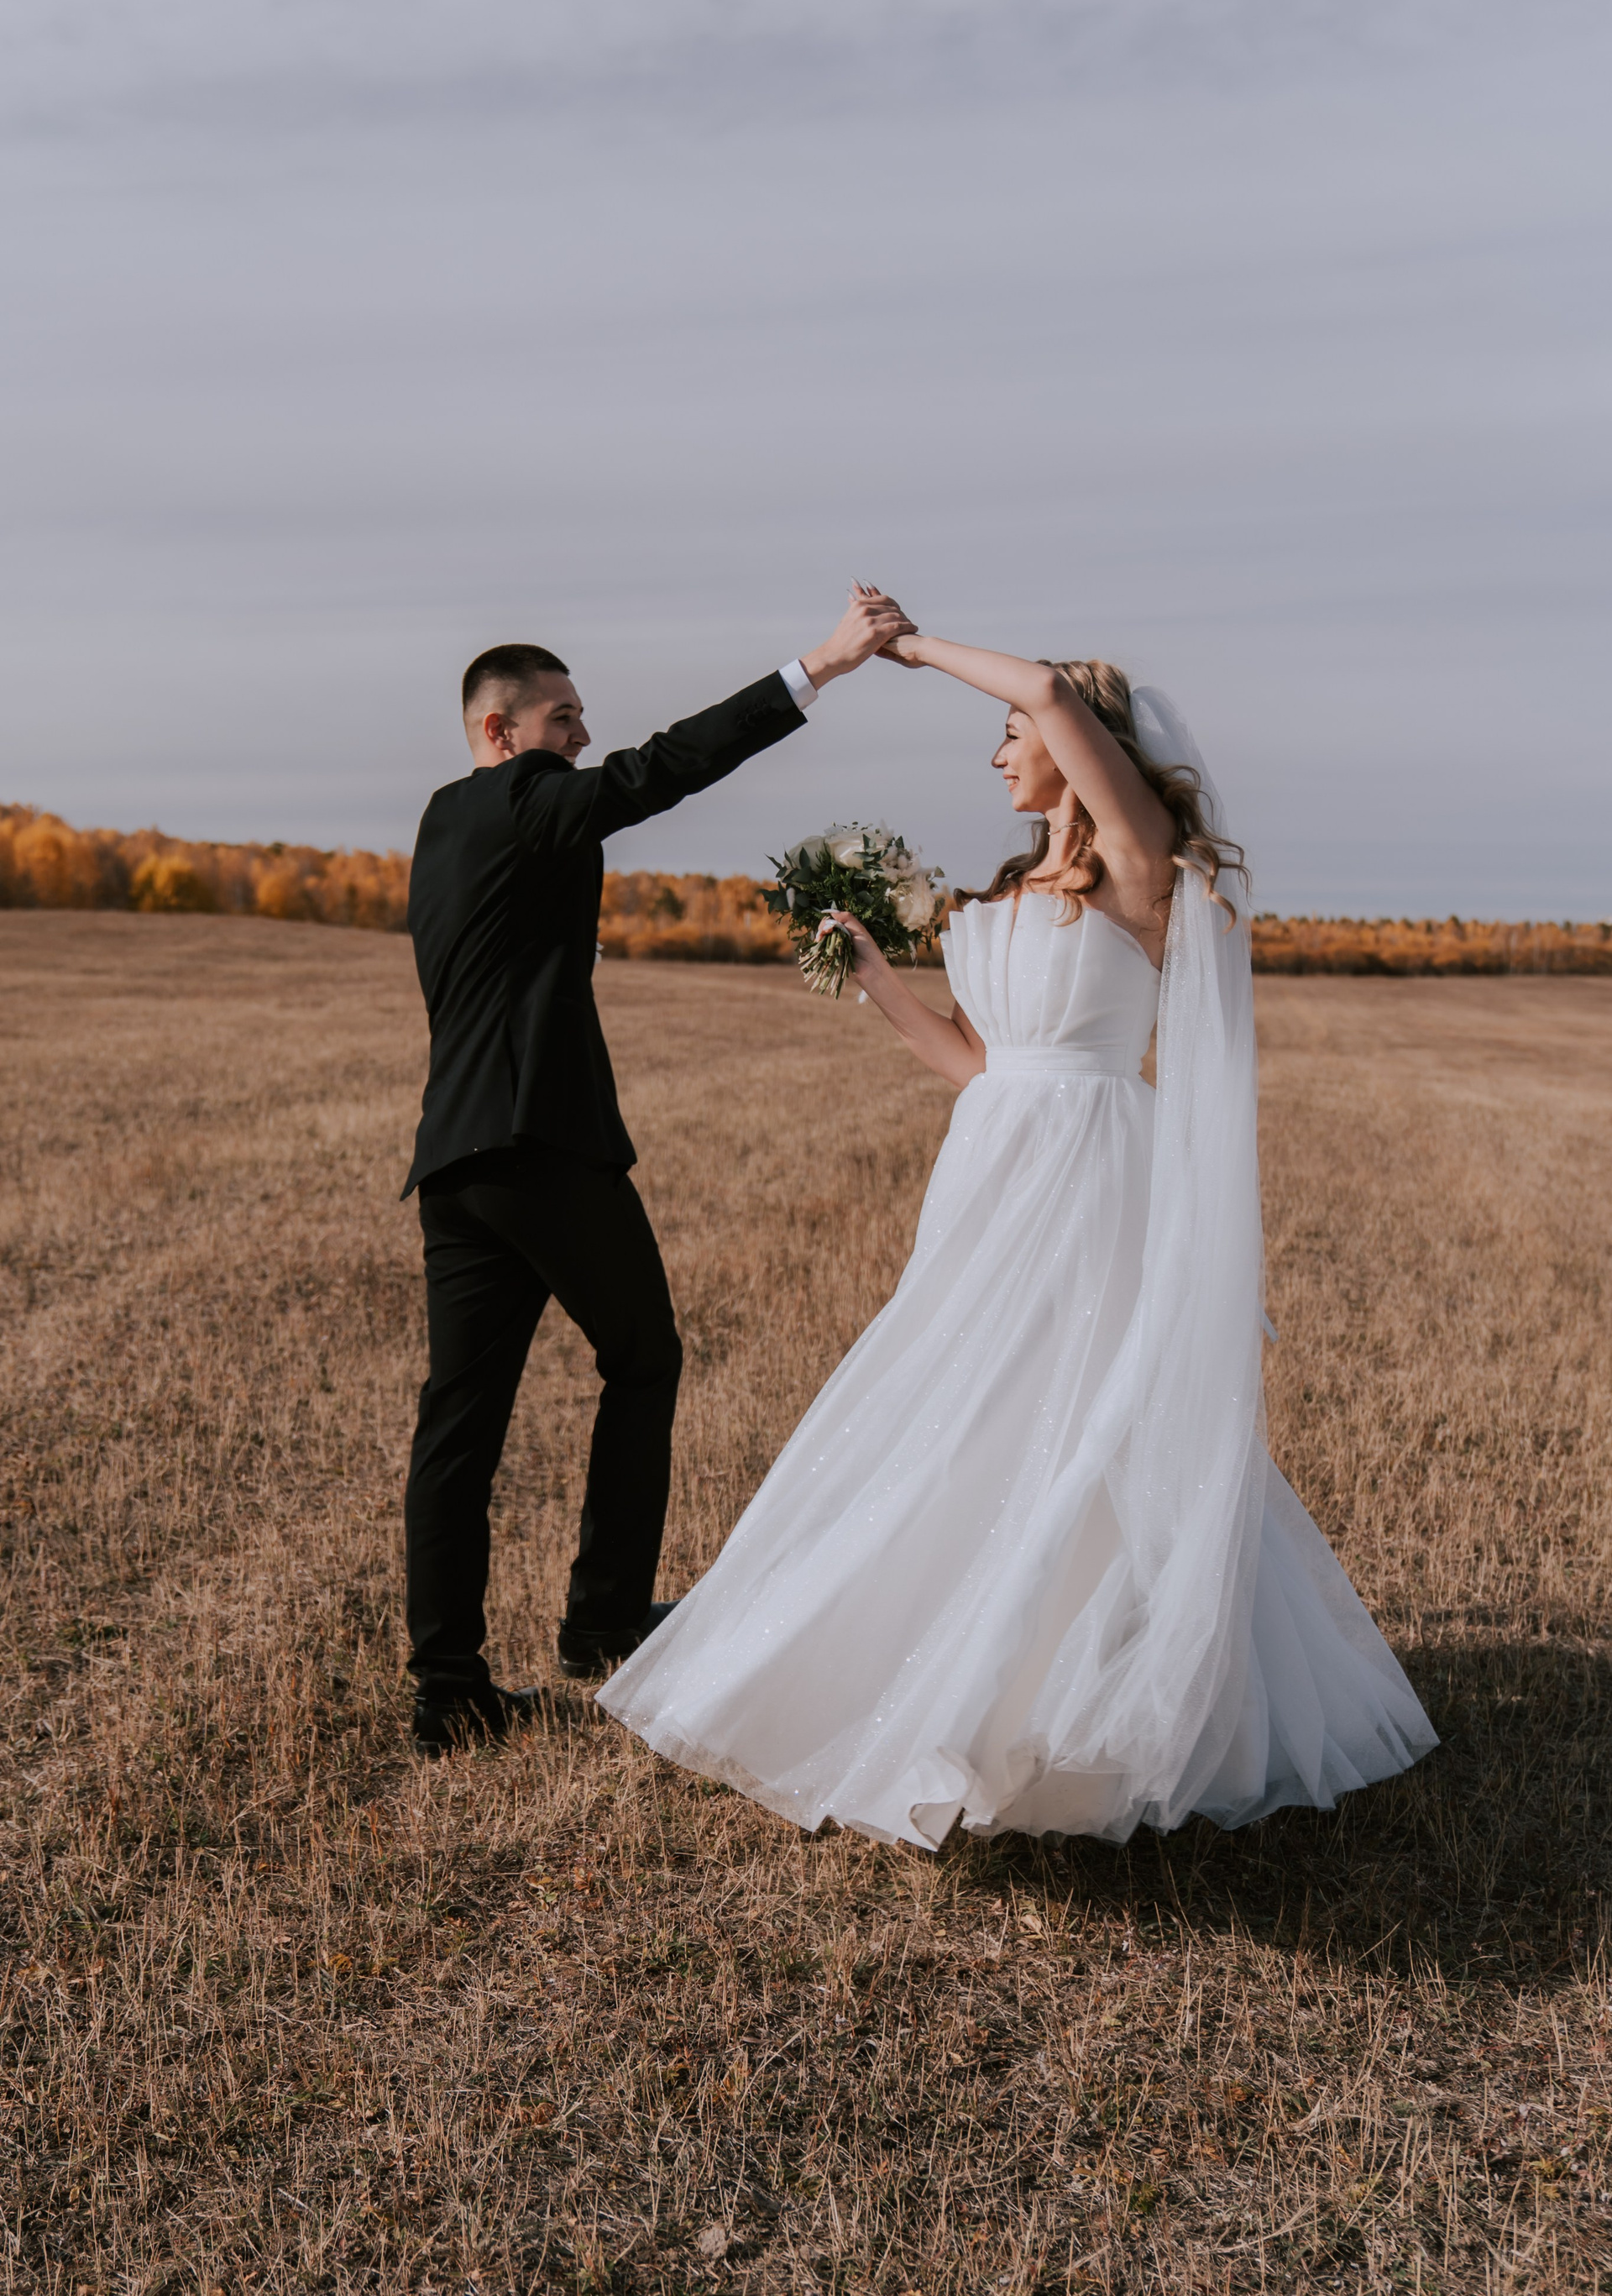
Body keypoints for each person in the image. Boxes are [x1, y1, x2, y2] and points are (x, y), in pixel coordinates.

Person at [600, 617, 1437, 1845]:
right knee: (964, 1406)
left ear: (1078, 742)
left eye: (1013, 736)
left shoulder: (1140, 870)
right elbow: (979, 1064)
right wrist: (876, 976)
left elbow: (1044, 686)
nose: (1000, 753)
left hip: (1094, 1172)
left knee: (1087, 1413)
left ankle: (1091, 1705)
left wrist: (913, 648)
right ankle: (938, 1674)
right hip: (992, 1168)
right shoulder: (1000, 893)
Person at [401, 589, 913, 1755]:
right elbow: (661, 770)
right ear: (500, 731)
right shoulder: (527, 797)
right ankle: (603, 1622)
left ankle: (448, 1689)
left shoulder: (444, 820)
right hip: (542, 1147)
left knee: (459, 1423)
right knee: (645, 1359)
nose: (584, 735)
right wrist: (820, 666)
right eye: (564, 717)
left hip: (458, 1162)